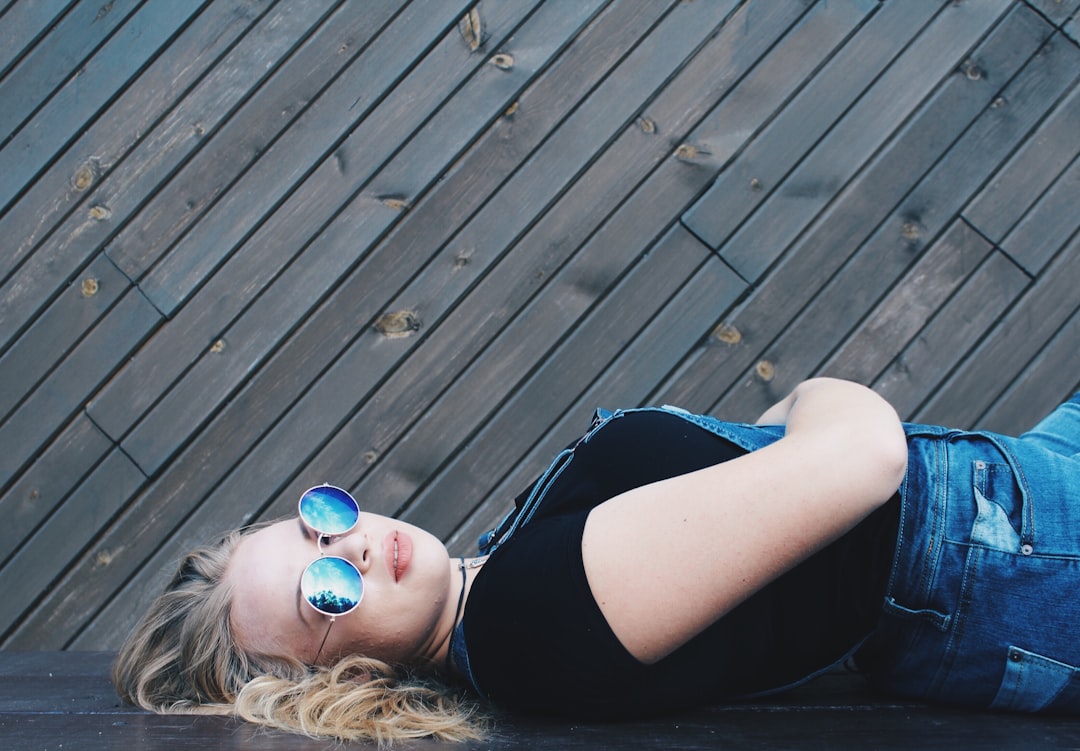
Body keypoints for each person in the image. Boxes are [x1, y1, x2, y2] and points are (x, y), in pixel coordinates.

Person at [113, 378, 1080, 742]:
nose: (355, 544)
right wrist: (823, 392)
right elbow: (865, 457)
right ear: (350, 676)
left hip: (1012, 507)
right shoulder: (532, 616)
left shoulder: (500, 579)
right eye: (325, 587)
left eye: (321, 522)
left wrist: (795, 426)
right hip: (1017, 553)